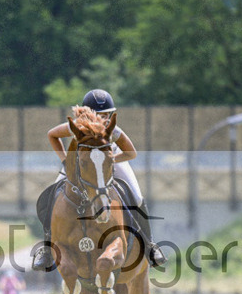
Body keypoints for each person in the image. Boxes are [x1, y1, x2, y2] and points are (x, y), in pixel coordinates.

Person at [32, 89, 167, 271]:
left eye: (106, 115)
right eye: (98, 115)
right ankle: (47, 248)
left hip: (109, 163)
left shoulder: (115, 130)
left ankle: (150, 245)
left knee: (136, 195)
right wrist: (66, 160)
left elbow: (131, 153)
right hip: (82, 166)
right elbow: (52, 134)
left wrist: (108, 161)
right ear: (88, 114)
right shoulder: (76, 127)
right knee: (52, 196)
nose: (102, 120)